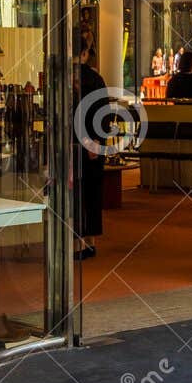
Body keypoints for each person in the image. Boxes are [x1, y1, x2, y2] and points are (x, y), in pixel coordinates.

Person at [73, 48, 107, 260]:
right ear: (84, 53)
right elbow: (102, 111)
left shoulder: (62, 76)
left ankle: (78, 241)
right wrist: (96, 140)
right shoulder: (94, 78)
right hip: (90, 140)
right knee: (91, 193)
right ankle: (89, 241)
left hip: (72, 141)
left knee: (76, 192)